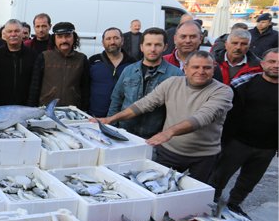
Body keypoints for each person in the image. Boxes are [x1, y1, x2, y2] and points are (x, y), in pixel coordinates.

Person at [100, 51, 233, 182]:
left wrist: (169, 132)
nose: (201, 71)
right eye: (195, 67)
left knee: (192, 198)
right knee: (157, 190)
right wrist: (111, 119)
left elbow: (204, 116)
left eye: (207, 67)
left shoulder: (223, 91)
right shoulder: (172, 83)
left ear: (213, 68)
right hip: (168, 152)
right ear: (185, 68)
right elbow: (144, 104)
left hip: (202, 158)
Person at [208, 48, 278, 216]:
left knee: (249, 181)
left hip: (267, 147)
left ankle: (233, 206)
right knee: (219, 177)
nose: (276, 66)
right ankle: (210, 203)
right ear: (262, 64)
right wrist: (223, 139)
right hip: (238, 143)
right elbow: (227, 112)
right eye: (272, 61)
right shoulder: (244, 83)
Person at [107, 27, 183, 139]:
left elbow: (177, 111)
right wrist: (110, 129)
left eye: (157, 45)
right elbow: (116, 100)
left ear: (165, 47)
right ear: (141, 47)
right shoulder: (128, 70)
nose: (153, 49)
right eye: (148, 44)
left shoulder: (176, 74)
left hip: (154, 137)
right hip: (124, 133)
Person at [28, 22, 90, 108]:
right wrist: (32, 108)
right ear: (54, 39)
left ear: (74, 38)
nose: (64, 40)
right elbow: (34, 87)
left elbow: (85, 89)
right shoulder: (44, 57)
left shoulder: (81, 59)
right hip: (46, 109)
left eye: (68, 36)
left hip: (73, 111)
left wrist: (84, 109)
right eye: (60, 37)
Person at [0, 19, 37, 106]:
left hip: (25, 106)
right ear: (5, 34)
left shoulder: (33, 55)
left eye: (17, 31)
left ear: (22, 33)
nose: (13, 34)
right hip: (0, 107)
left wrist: (31, 103)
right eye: (10, 31)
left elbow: (35, 83)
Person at [88, 27, 135, 117]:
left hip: (122, 116)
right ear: (103, 42)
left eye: (116, 38)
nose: (112, 42)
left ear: (122, 40)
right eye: (108, 39)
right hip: (96, 115)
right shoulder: (93, 61)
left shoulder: (132, 63)